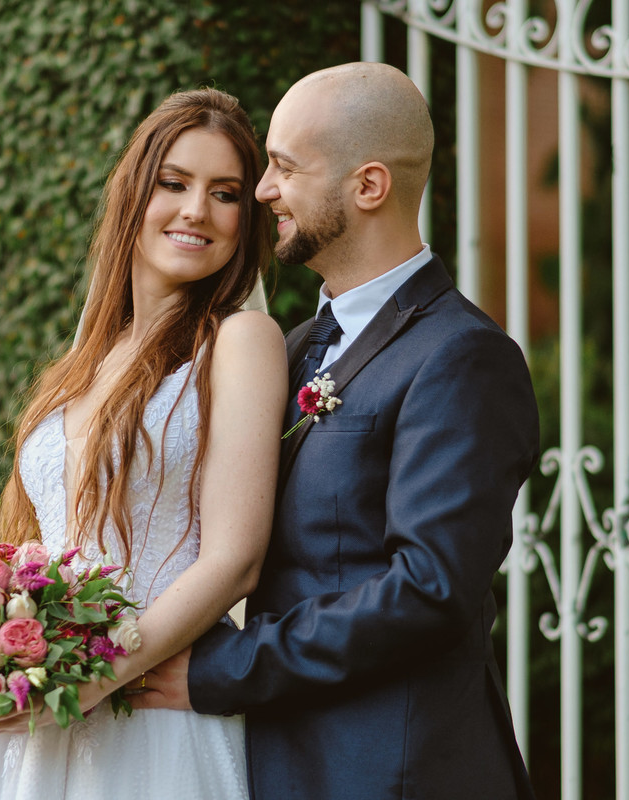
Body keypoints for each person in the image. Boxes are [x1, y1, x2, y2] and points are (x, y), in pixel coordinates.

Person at [132, 63, 540, 800]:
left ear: (369, 186)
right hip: (281, 759)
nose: (262, 192)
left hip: (392, 771)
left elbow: (429, 589)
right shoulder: (290, 349)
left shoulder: (462, 357)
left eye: (284, 168)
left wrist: (227, 668)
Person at [0, 88, 287, 799]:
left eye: (225, 194)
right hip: (37, 717)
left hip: (152, 714)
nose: (196, 210)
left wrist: (93, 678)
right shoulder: (85, 362)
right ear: (134, 194)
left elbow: (235, 560)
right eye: (175, 183)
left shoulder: (240, 343)